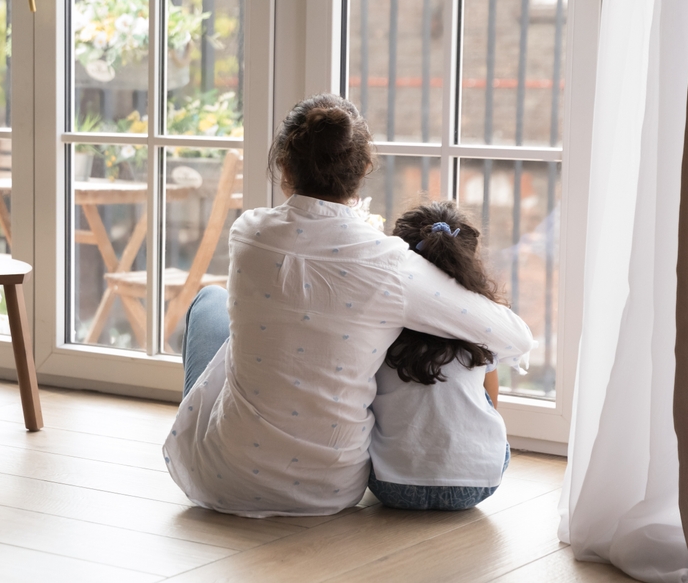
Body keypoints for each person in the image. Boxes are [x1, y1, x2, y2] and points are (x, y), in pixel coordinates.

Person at [162, 93, 534, 517]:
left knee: (210, 302)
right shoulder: (391, 263)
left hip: (221, 477)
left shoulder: (247, 233)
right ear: (363, 173)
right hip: (328, 491)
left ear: (284, 167)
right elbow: (515, 336)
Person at [368, 201, 517, 511]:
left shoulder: (382, 317)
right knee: (479, 396)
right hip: (478, 483)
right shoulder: (481, 321)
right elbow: (492, 398)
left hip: (392, 486)